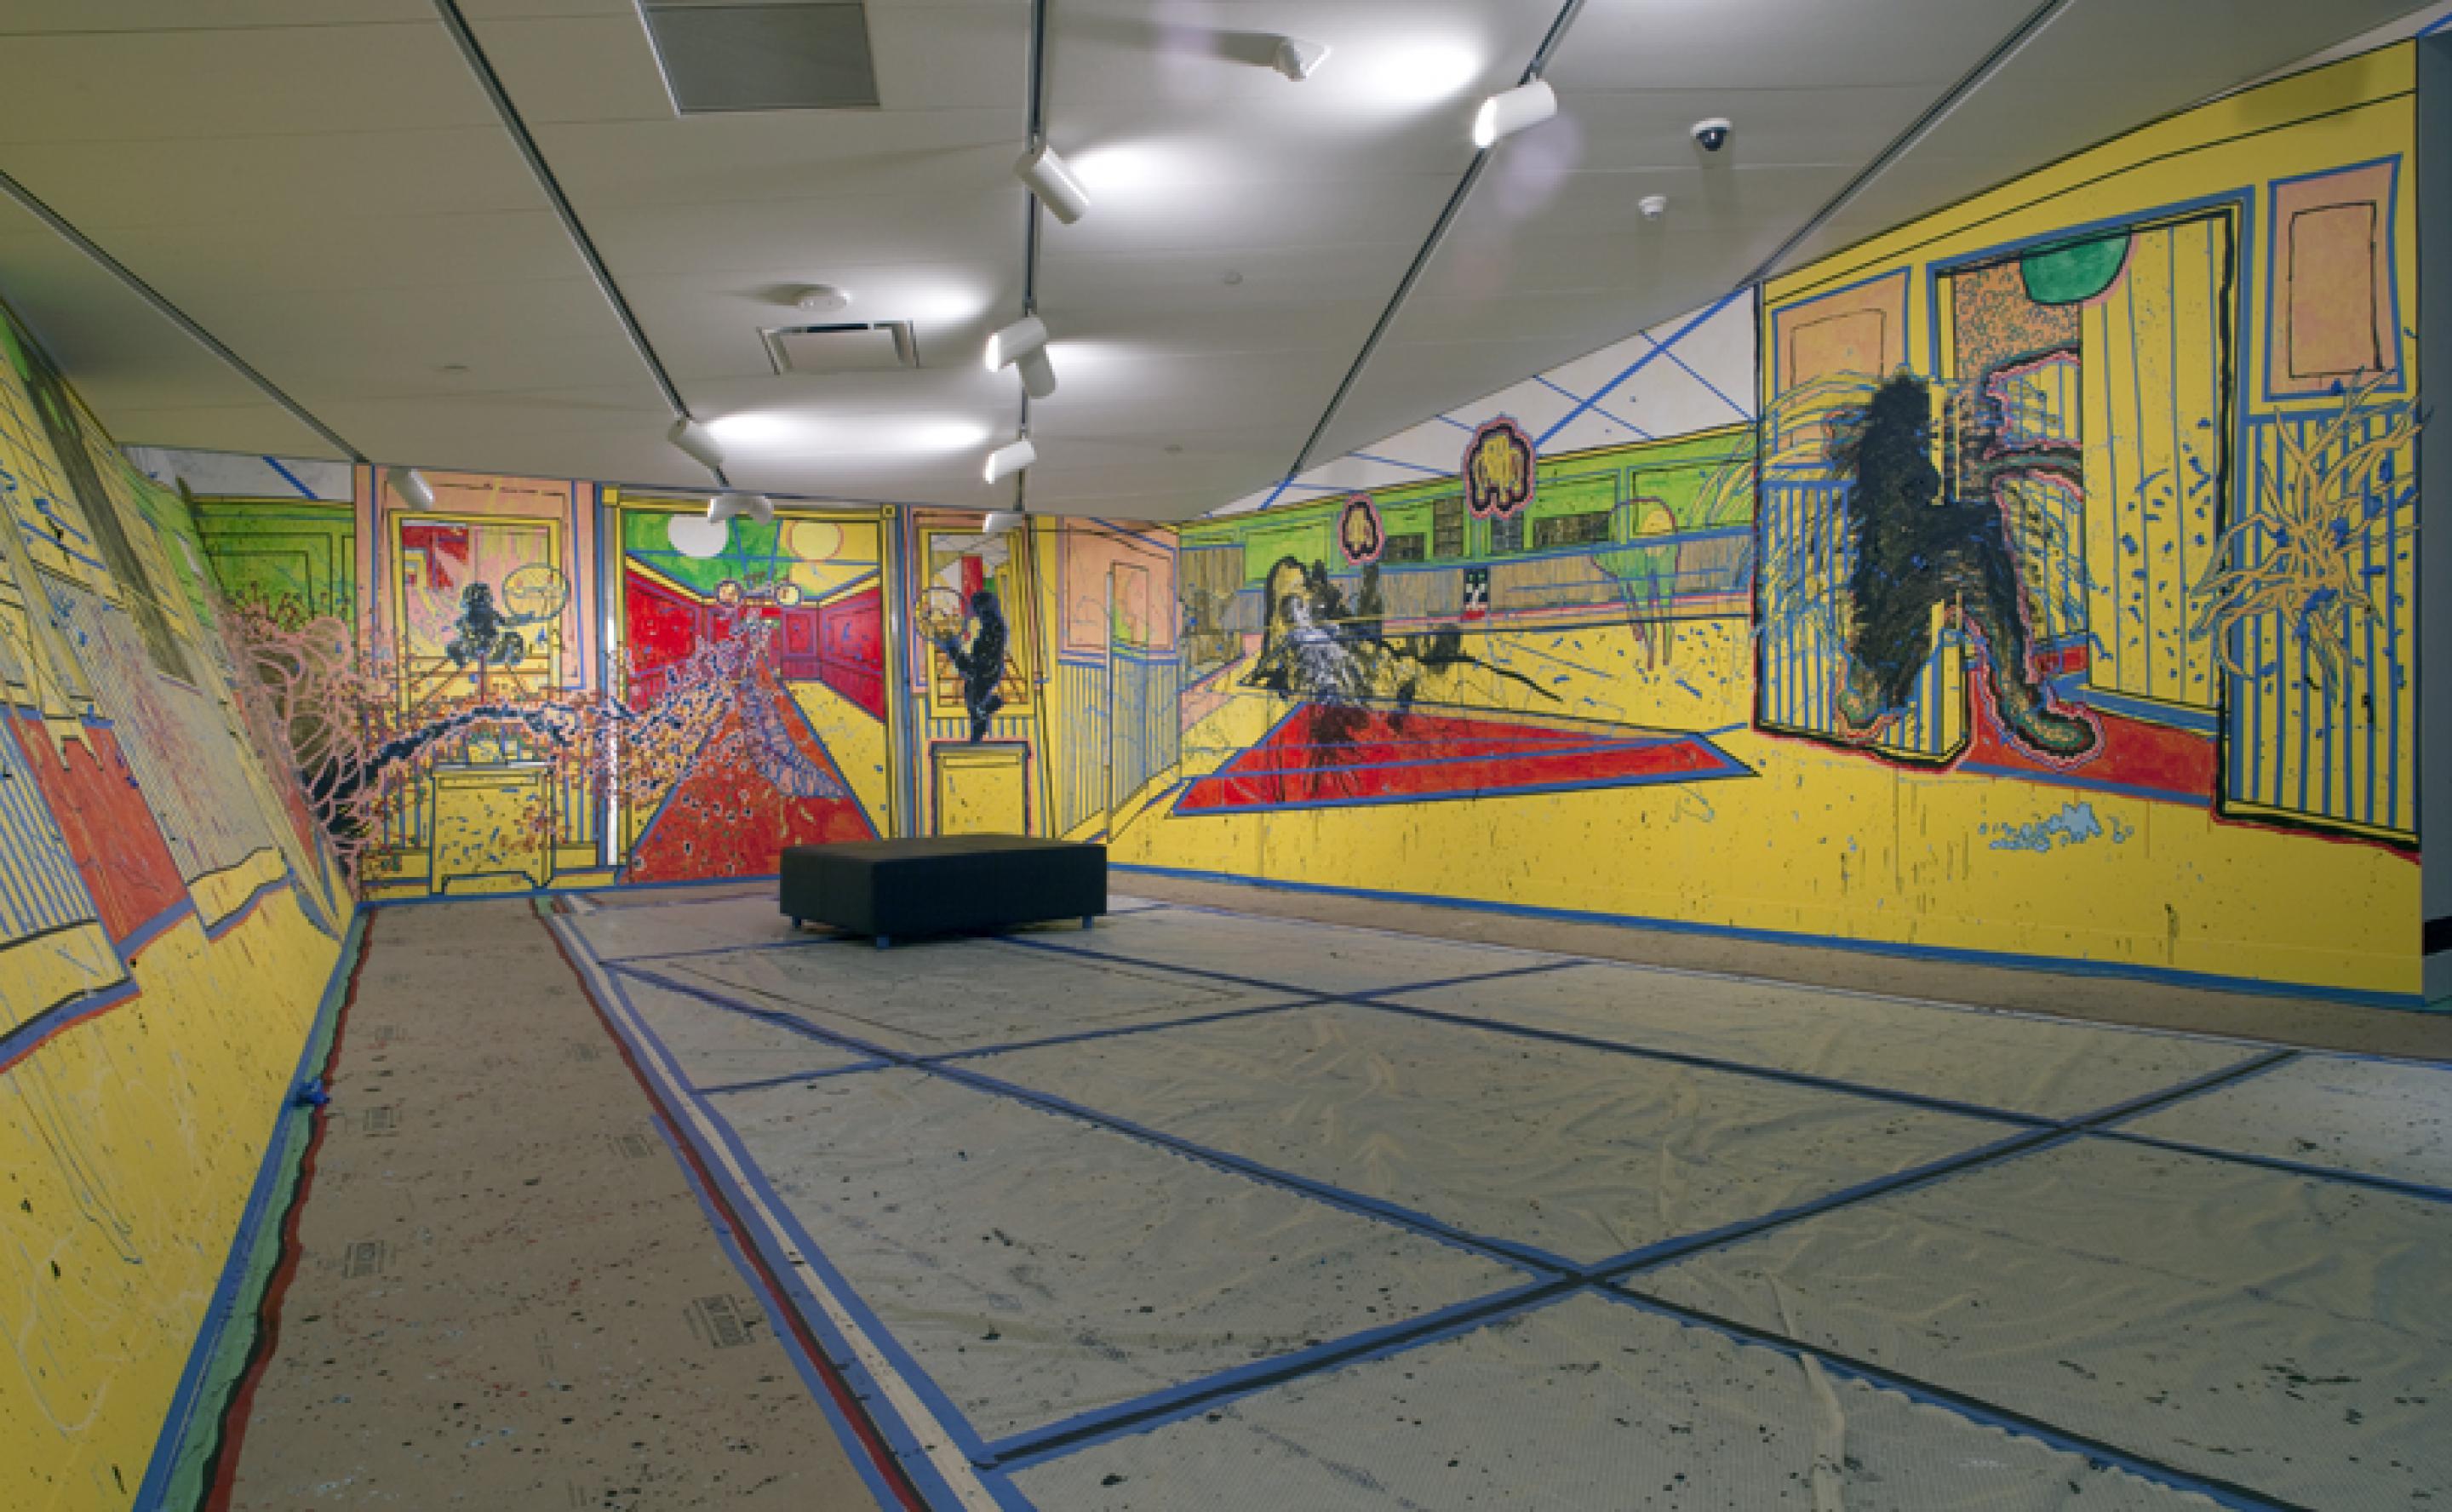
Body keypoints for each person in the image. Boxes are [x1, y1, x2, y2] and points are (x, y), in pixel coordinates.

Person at [936, 588, 1007, 742]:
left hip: (984, 673)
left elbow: (975, 666)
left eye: (977, 610)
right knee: (974, 701)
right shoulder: (993, 628)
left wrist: (953, 648)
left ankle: (985, 712)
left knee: (975, 703)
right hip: (986, 672)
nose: (975, 614)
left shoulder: (992, 631)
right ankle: (984, 713)